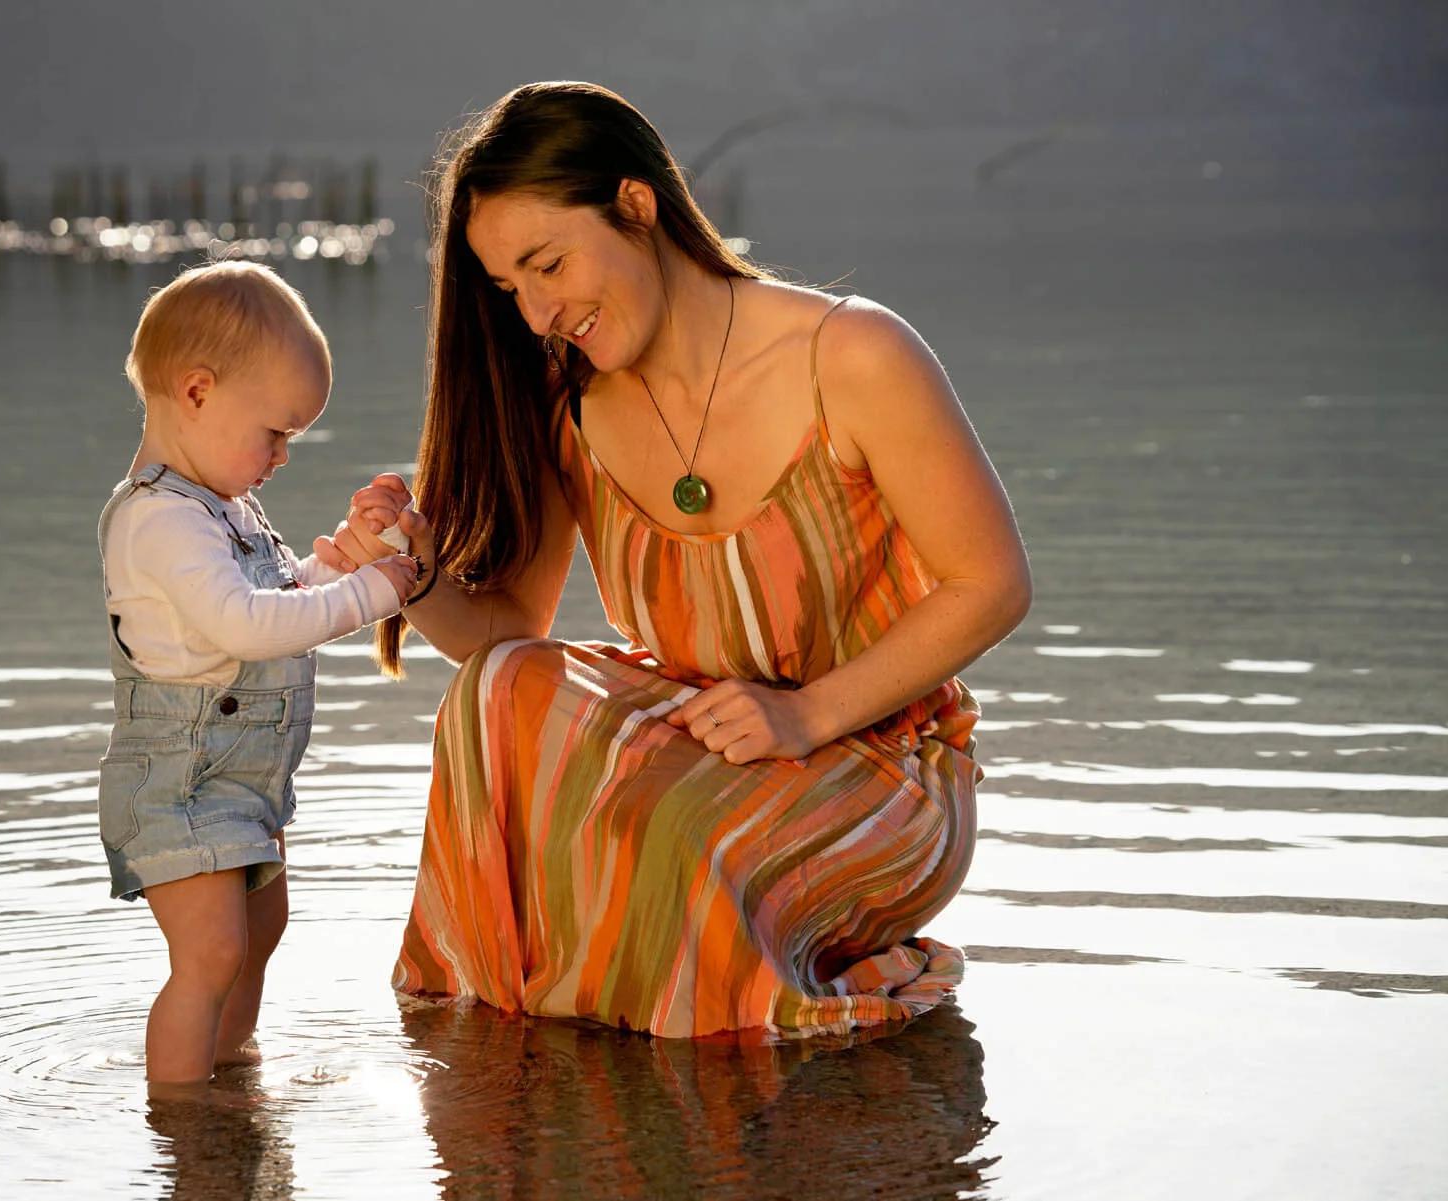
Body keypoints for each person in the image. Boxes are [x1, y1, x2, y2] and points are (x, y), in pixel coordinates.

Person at [329, 81, 1031, 1038]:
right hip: (698, 751)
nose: (537, 313)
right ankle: (499, 1037)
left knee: (675, 838)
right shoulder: (568, 403)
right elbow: (504, 640)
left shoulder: (853, 356)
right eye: (509, 289)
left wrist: (803, 714)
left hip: (877, 768)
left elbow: (990, 584)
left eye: (547, 265)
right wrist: (411, 574)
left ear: (636, 205)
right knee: (498, 692)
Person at [96, 260, 431, 1087]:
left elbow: (275, 600)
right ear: (198, 391)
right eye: (276, 432)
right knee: (210, 951)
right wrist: (368, 592)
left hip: (239, 783)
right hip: (179, 783)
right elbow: (245, 625)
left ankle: (231, 1069)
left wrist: (349, 562)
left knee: (259, 930)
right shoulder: (158, 520)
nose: (282, 455)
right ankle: (181, 1119)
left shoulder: (222, 506)